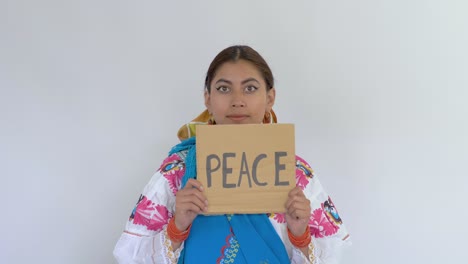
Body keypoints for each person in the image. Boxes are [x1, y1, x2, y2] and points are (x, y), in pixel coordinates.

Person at [113, 45, 351, 263]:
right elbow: (127, 255)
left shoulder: (295, 174)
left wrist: (300, 235)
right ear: (208, 99)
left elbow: (339, 253)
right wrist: (177, 227)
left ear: (270, 98)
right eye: (224, 88)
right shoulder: (177, 173)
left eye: (250, 88)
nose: (237, 100)